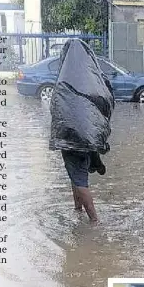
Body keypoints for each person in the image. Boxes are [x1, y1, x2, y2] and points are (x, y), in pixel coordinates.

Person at [49, 39, 114, 224]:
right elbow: (107, 102)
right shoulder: (95, 81)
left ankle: (94, 221)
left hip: (71, 140)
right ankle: (77, 209)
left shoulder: (63, 83)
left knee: (78, 178)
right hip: (89, 140)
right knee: (76, 174)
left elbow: (56, 110)